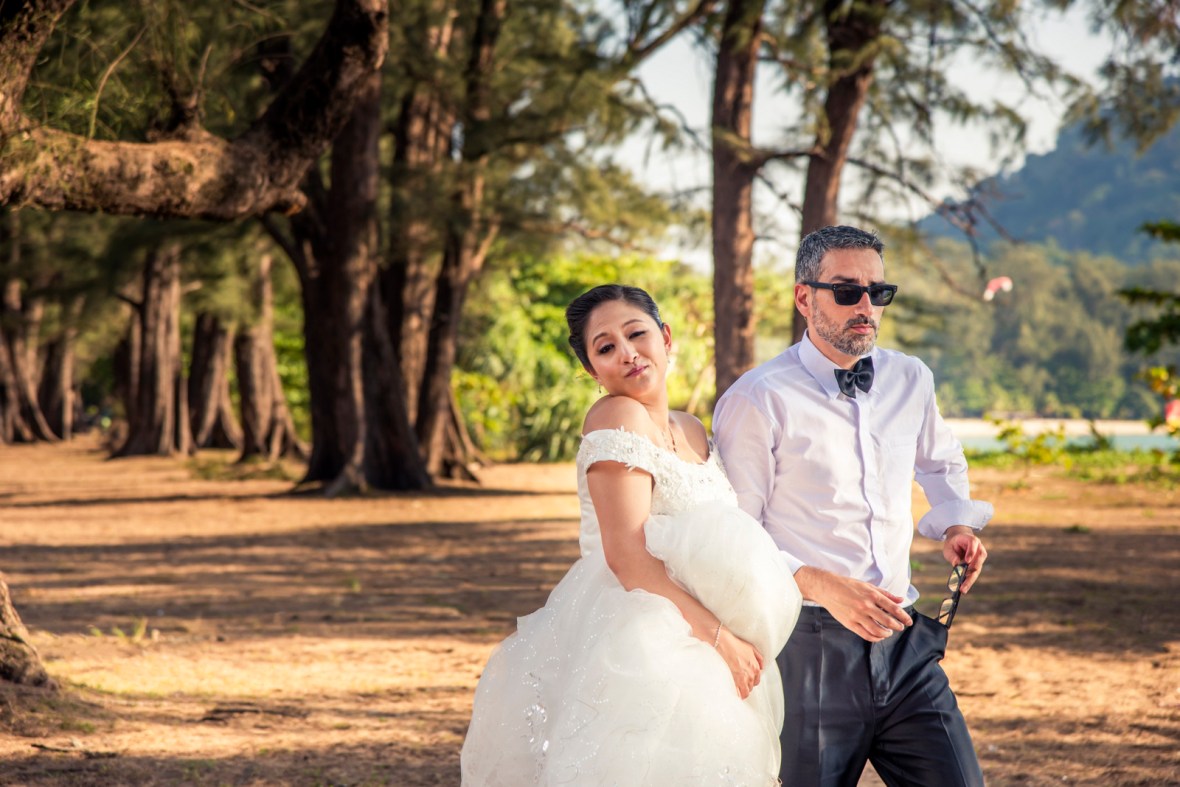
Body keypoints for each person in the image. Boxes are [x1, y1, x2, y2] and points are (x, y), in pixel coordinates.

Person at [461, 284, 802, 786]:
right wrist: (719, 637)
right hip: (645, 637)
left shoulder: (692, 429)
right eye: (605, 347)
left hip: (705, 641)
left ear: (665, 338)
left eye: (636, 333)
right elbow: (626, 556)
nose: (627, 353)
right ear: (591, 371)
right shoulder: (615, 417)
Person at [713, 225, 992, 787]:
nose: (865, 305)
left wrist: (955, 523)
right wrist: (820, 584)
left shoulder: (912, 378)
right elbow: (733, 537)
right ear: (803, 297)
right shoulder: (756, 399)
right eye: (846, 291)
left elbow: (941, 461)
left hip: (906, 644)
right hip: (807, 651)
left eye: (877, 292)